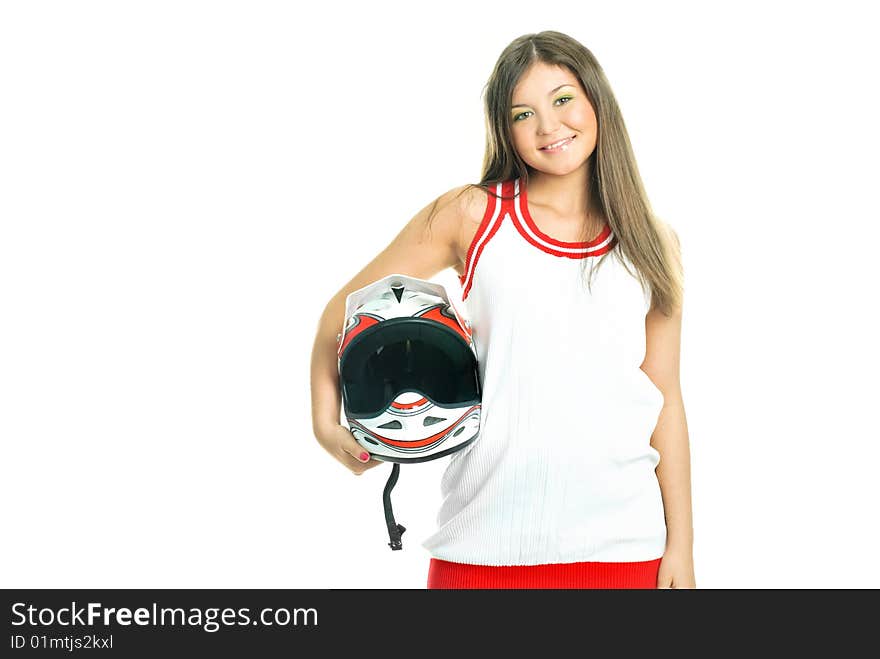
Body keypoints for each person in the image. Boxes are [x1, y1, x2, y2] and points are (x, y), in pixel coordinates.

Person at [310, 30, 695, 589]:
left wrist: (679, 546)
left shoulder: (653, 242)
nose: (548, 126)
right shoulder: (470, 214)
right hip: (481, 549)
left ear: (596, 100)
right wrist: (326, 420)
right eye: (523, 113)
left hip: (626, 549)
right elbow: (343, 310)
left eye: (563, 99)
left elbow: (665, 399)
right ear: (505, 129)